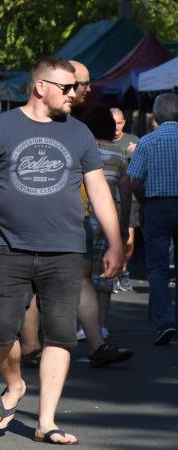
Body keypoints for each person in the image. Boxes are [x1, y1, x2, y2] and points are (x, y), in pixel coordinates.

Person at [0, 56, 123, 445]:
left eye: (76, 87)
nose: (74, 94)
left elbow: (98, 190)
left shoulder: (78, 133)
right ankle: (14, 385)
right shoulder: (0, 128)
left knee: (61, 336)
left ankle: (46, 421)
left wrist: (115, 241)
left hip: (65, 250)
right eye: (67, 88)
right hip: (9, 248)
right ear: (41, 86)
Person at [76, 107, 134, 367]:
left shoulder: (81, 152)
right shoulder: (119, 154)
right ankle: (102, 327)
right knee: (105, 277)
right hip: (108, 221)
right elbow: (125, 193)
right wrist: (123, 227)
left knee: (82, 276)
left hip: (82, 220)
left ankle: (83, 327)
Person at [127, 93, 178, 345]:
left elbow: (134, 181)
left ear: (155, 117)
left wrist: (145, 201)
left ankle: (165, 322)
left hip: (158, 205)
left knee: (157, 268)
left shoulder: (147, 142)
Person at [110, 107, 139, 292]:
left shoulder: (134, 141)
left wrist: (135, 152)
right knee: (111, 238)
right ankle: (112, 272)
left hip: (130, 198)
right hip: (110, 197)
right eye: (113, 123)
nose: (116, 127)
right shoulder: (101, 140)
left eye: (119, 123)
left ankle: (124, 271)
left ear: (124, 123)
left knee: (127, 240)